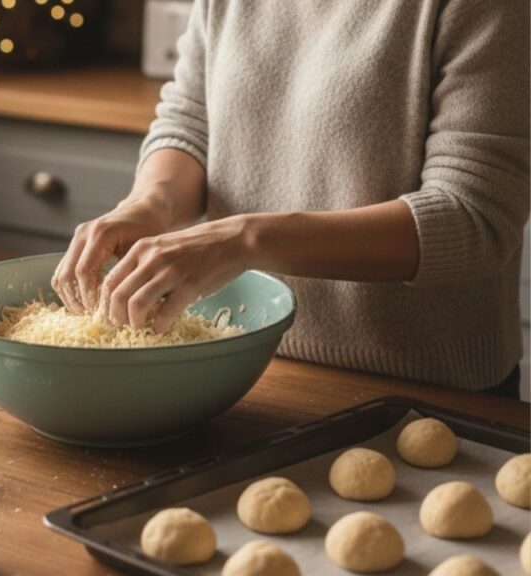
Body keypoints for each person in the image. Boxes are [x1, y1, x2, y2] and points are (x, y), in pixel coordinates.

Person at [52, 0, 528, 393]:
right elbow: (192, 121)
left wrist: (245, 240)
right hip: (244, 365)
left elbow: (473, 218)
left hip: (426, 389)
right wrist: (150, 204)